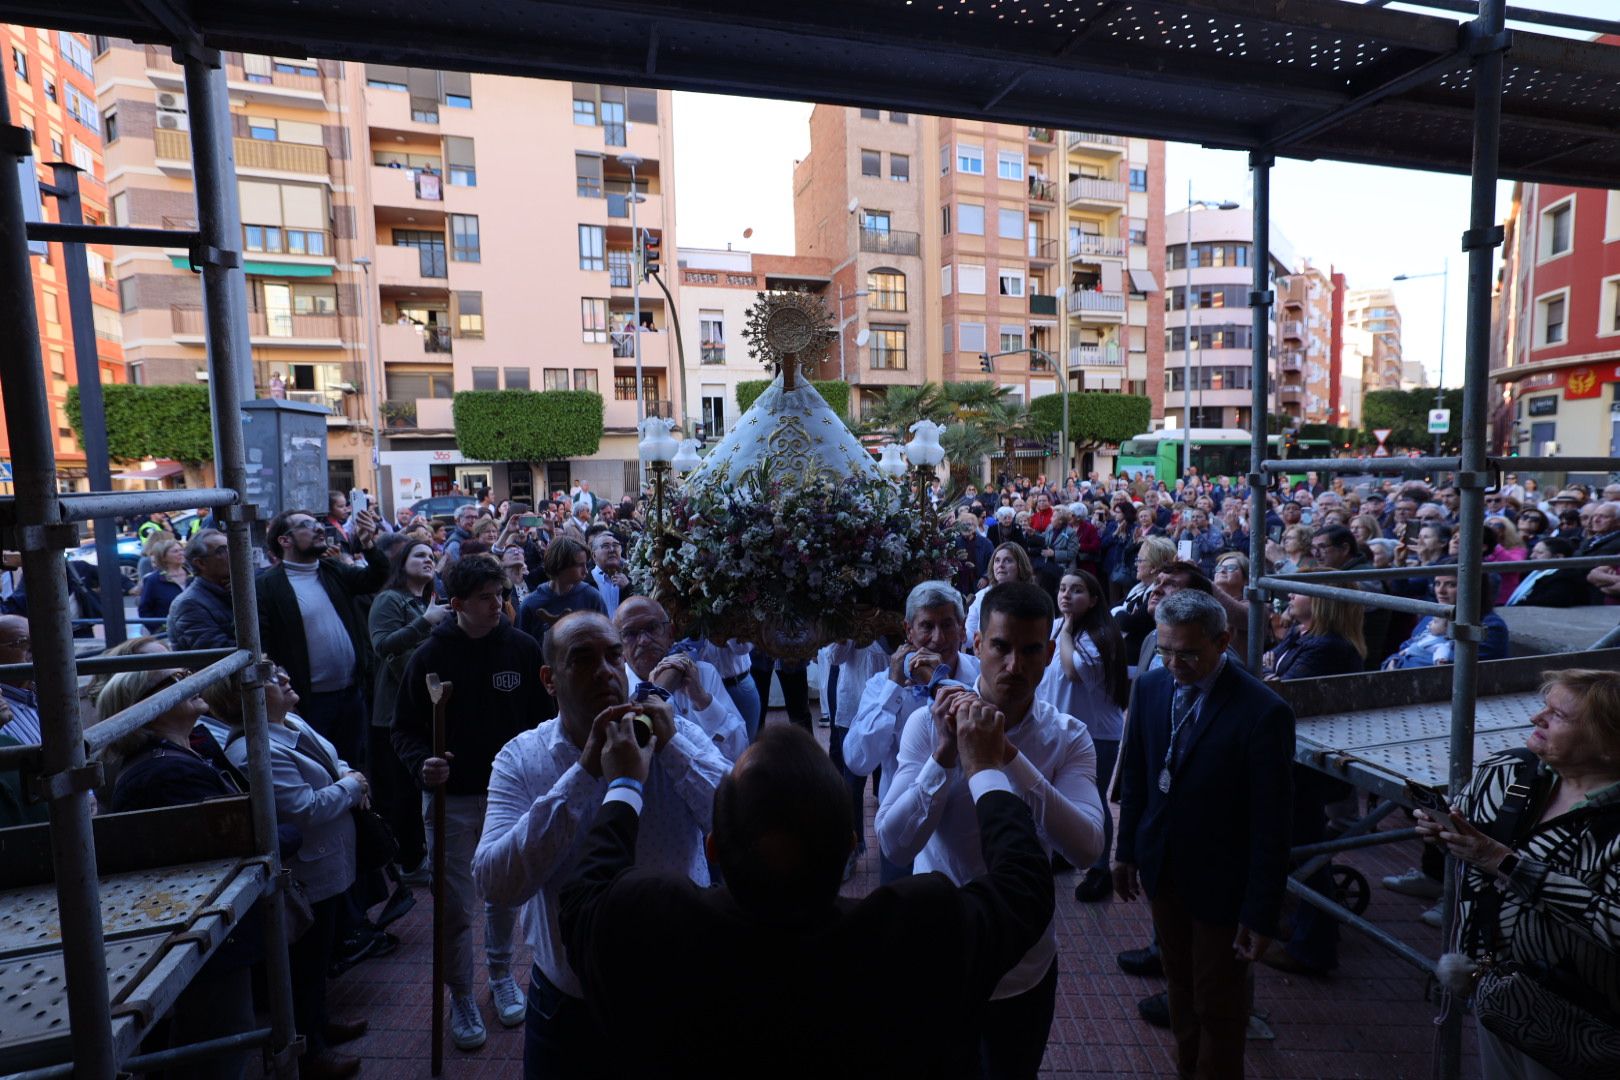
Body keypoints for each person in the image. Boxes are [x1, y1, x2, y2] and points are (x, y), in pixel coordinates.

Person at [558, 714, 1055, 1077]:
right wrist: (986, 767)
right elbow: (1024, 888)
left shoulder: (653, 926)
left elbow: (584, 894)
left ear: (713, 848)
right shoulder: (917, 932)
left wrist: (624, 784)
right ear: (850, 849)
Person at [474, 611, 729, 1079]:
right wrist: (585, 774)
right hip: (570, 1006)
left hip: (679, 987)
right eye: (583, 660)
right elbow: (495, 883)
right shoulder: (522, 758)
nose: (607, 671)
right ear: (549, 679)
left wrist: (673, 751)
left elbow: (739, 829)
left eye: (614, 656)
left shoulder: (678, 736)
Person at [876, 581, 1105, 1077]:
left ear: (1048, 654)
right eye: (1001, 647)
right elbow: (895, 843)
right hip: (938, 950)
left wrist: (1007, 757)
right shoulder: (926, 722)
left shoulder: (1068, 737)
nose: (1014, 666)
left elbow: (1088, 848)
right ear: (977, 644)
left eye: (1029, 651)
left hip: (1023, 961)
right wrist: (943, 756)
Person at [1114, 589, 1294, 1080]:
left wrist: (1260, 912)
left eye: (1188, 653)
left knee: (1219, 1005)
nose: (1175, 663)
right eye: (1166, 651)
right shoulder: (1150, 688)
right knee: (1180, 989)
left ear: (1224, 640)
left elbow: (1272, 823)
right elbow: (1138, 777)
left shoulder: (1263, 711)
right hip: (1164, 869)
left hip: (1223, 886)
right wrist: (1126, 849)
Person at [1414, 669, 1620, 1080]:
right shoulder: (1507, 770)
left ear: (1609, 745)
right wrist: (1443, 835)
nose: (1535, 719)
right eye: (1544, 706)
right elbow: (1468, 845)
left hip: (1584, 1016)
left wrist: (1508, 864)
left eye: (1558, 715)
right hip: (1497, 990)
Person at [392, 554, 553, 1050]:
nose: (497, 605)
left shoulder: (523, 649)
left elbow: (542, 719)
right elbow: (404, 729)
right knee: (457, 904)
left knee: (504, 890)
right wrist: (423, 764)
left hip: (509, 795)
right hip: (454, 798)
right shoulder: (429, 658)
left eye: (500, 595)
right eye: (485, 598)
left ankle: (501, 973)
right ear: (457, 604)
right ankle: (461, 991)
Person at [93, 667, 264, 1080]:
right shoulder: (163, 771)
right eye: (169, 683)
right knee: (218, 1035)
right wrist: (283, 834)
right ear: (142, 710)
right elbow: (230, 842)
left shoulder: (180, 753)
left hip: (207, 916)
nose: (187, 684)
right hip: (204, 921)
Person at [220, 665, 371, 1080]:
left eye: (281, 671)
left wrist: (344, 774)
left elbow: (331, 756)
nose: (285, 677)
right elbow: (303, 808)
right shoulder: (255, 748)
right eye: (272, 677)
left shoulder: (292, 722)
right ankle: (310, 1049)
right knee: (305, 962)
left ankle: (319, 1022)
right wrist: (354, 786)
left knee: (321, 956)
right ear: (243, 696)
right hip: (308, 870)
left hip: (332, 859)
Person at [844, 581, 981, 883]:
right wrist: (893, 688)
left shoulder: (982, 678)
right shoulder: (883, 685)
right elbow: (857, 760)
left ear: (962, 627)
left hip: (967, 832)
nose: (938, 638)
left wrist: (937, 682)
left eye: (947, 625)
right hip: (905, 823)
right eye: (926, 626)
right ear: (908, 630)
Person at [256, 508, 386, 769]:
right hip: (309, 702)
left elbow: (377, 578)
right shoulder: (267, 586)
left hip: (351, 694)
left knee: (357, 765)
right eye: (306, 525)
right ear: (285, 540)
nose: (318, 529)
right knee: (320, 768)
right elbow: (262, 644)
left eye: (318, 524)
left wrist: (368, 543)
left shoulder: (331, 570)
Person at [1038, 569, 1129, 903]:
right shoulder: (1058, 627)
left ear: (1093, 600)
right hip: (1060, 729)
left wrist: (1064, 631)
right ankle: (1064, 853)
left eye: (1076, 591)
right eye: (1062, 588)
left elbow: (1072, 671)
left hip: (1095, 735)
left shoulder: (1099, 636)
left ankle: (1101, 869)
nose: (1065, 595)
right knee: (1058, 796)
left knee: (1093, 802)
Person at [368, 538, 452, 884]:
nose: (428, 560)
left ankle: (423, 856)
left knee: (424, 784)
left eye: (431, 556)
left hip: (427, 707)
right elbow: (382, 645)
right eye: (419, 555)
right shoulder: (389, 599)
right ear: (401, 563)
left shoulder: (428, 599)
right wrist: (426, 622)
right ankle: (408, 863)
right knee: (402, 790)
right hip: (395, 710)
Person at [613, 597, 747, 763]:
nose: (644, 640)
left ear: (670, 634)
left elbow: (740, 751)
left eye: (652, 628)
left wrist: (703, 701)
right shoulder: (616, 690)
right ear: (619, 647)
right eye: (630, 634)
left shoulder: (703, 675)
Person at [517, 536, 607, 646]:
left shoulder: (592, 597)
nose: (586, 571)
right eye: (579, 565)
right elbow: (523, 648)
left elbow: (605, 637)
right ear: (560, 565)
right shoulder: (531, 604)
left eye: (585, 564)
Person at [167, 529, 236, 650]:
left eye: (231, 547)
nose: (232, 553)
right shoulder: (189, 604)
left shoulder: (232, 591)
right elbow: (218, 652)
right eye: (222, 550)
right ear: (200, 563)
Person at [964, 542, 1037, 646]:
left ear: (1020, 566)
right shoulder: (980, 596)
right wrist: (959, 630)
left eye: (1008, 560)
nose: (1001, 565)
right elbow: (969, 640)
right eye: (997, 560)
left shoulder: (1032, 598)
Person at [586, 530, 633, 615]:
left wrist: (628, 588)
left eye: (615, 545)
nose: (612, 550)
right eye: (605, 546)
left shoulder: (631, 578)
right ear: (594, 555)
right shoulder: (585, 581)